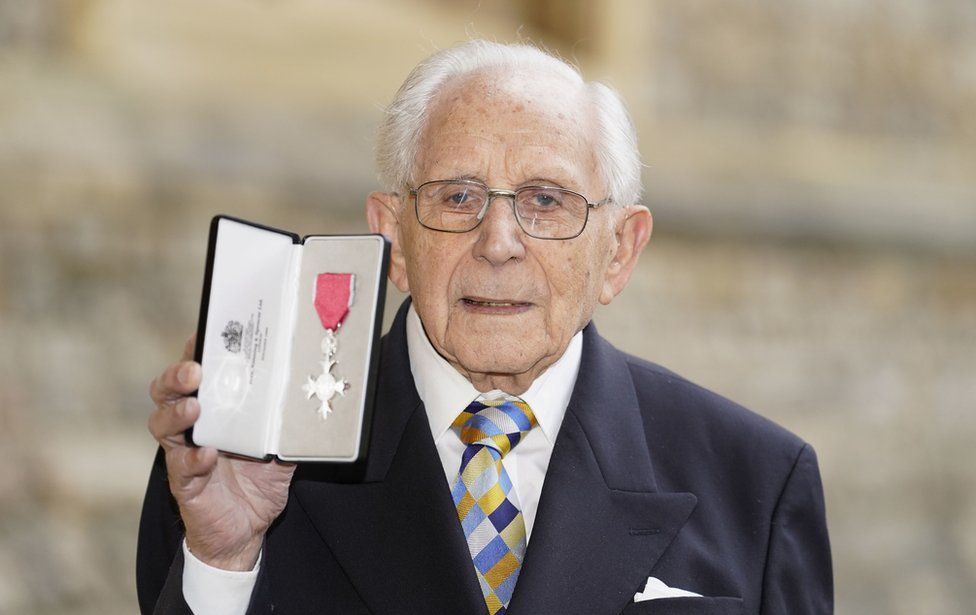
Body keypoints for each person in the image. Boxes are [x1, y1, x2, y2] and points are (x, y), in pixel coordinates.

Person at [138, 40, 832, 615]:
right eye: (459, 196)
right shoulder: (245, 460)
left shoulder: (758, 483)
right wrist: (224, 562)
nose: (498, 241)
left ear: (618, 250)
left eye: (546, 201)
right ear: (395, 241)